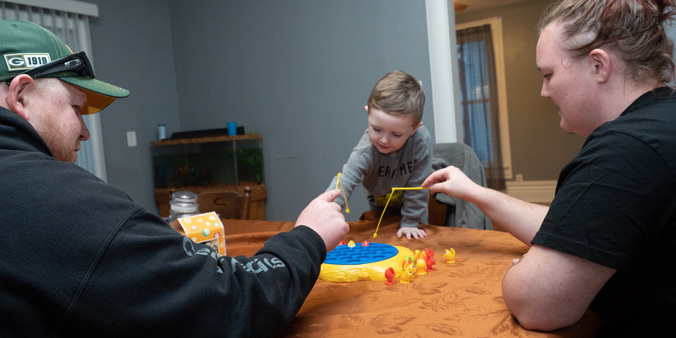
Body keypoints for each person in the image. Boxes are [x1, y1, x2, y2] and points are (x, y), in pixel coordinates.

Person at [0, 19, 348, 337]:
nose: (85, 132)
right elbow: (233, 302)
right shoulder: (61, 203)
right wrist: (309, 235)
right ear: (21, 95)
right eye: (76, 107)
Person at [423, 0, 676, 336]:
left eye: (548, 75)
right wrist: (475, 192)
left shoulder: (627, 148)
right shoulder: (662, 120)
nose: (544, 91)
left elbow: (536, 304)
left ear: (599, 65)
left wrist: (532, 268)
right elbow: (581, 229)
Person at [326, 70, 432, 240]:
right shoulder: (365, 151)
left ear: (414, 129)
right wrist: (324, 216)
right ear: (368, 113)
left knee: (415, 242)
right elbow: (344, 183)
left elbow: (418, 185)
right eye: (376, 129)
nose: (384, 140)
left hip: (414, 209)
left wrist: (410, 222)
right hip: (380, 207)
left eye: (396, 135)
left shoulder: (420, 141)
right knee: (381, 240)